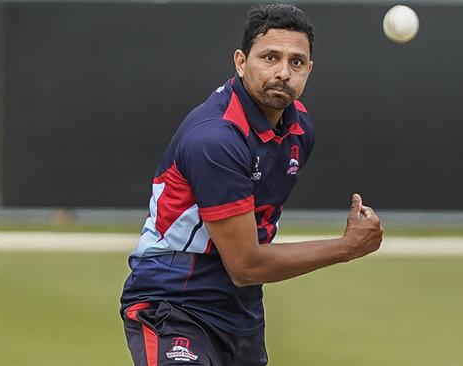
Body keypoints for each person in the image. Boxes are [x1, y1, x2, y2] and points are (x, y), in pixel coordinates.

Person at [120, 3, 383, 365]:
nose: (282, 73)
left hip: (240, 310)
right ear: (241, 62)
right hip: (173, 301)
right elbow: (246, 265)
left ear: (309, 69)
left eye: (296, 62)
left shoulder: (298, 128)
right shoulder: (215, 139)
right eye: (270, 57)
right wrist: (347, 247)